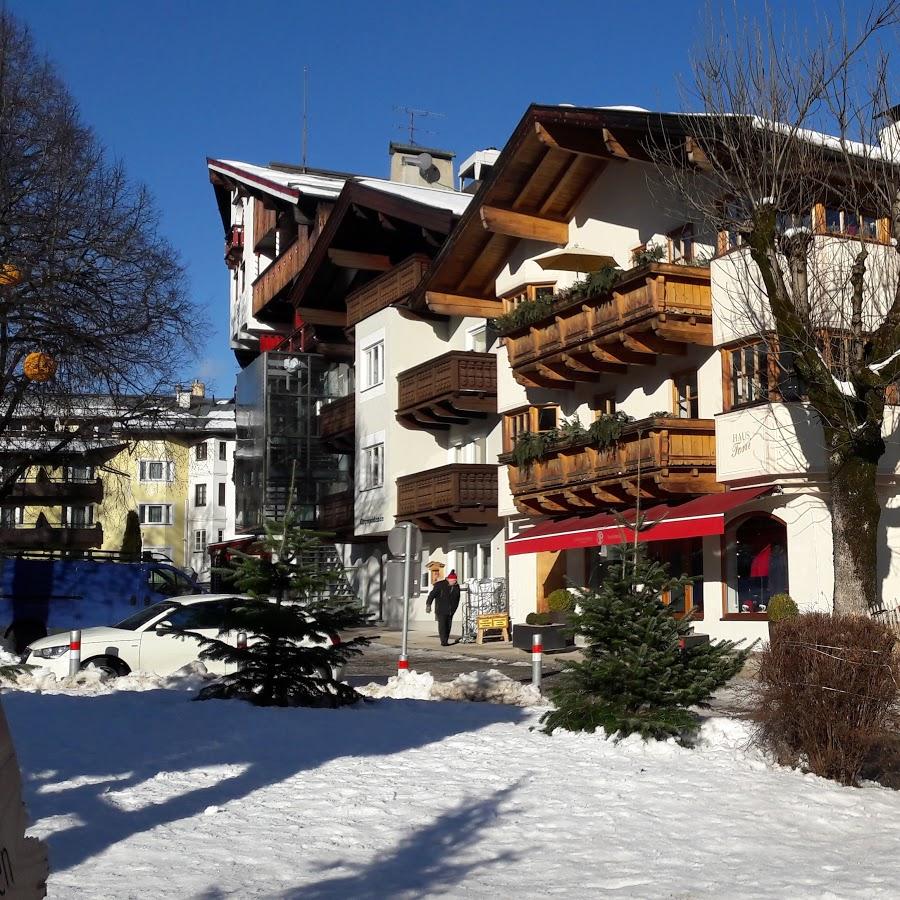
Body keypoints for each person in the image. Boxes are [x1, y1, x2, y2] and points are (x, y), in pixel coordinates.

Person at [426, 570, 460, 646]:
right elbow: (431, 595)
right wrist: (428, 604)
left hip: (451, 610)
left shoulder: (456, 587)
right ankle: (443, 641)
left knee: (448, 626)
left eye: (455, 580)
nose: (454, 582)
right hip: (441, 609)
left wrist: (454, 608)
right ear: (449, 579)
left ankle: (446, 640)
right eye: (453, 580)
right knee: (442, 626)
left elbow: (457, 598)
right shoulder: (440, 585)